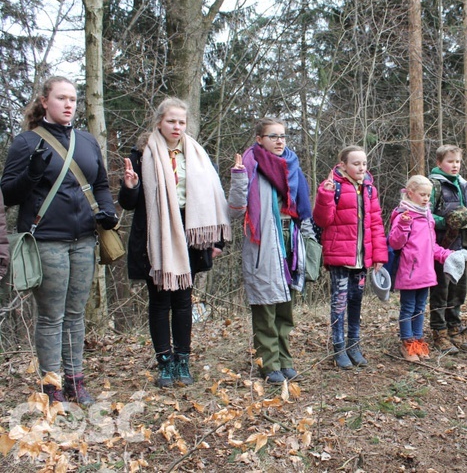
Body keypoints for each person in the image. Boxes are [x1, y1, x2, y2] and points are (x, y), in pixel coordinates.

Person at [1, 76, 118, 405]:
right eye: (62, 98)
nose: (69, 104)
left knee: (75, 314)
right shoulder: (26, 143)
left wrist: (107, 211)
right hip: (47, 241)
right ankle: (51, 386)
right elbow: (7, 195)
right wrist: (32, 174)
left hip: (84, 239)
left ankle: (75, 380)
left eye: (73, 99)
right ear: (44, 102)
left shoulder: (86, 140)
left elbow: (100, 185)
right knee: (52, 316)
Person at [119, 97, 231, 388]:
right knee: (159, 301)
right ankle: (164, 362)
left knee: (183, 300)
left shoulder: (198, 155)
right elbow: (129, 204)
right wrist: (129, 186)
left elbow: (212, 198)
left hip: (191, 233)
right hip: (156, 236)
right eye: (171, 121)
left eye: (181, 122)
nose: (177, 126)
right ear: (159, 122)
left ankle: (183, 359)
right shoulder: (143, 155)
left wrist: (216, 240)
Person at [229, 117, 313, 385]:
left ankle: (285, 359)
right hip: (263, 242)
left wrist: (310, 239)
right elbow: (236, 209)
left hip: (290, 242)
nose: (279, 141)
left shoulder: (292, 165)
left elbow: (302, 209)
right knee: (266, 305)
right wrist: (239, 179)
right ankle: (268, 362)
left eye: (283, 136)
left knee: (285, 305)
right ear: (259, 139)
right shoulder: (250, 165)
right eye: (272, 136)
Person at [313, 145, 388, 370]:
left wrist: (378, 255)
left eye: (364, 163)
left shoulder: (369, 190)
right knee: (339, 301)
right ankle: (339, 347)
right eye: (356, 163)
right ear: (343, 165)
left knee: (356, 300)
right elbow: (322, 220)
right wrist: (325, 195)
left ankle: (354, 344)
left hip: (362, 258)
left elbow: (376, 224)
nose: (361, 167)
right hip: (339, 257)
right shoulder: (332, 187)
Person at [388, 175, 454, 362]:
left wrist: (446, 255)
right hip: (409, 271)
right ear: (410, 193)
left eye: (428, 195)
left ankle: (418, 340)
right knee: (408, 307)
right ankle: (407, 342)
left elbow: (432, 245)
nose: (426, 198)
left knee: (420, 308)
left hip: (426, 271)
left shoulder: (427, 215)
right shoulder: (403, 215)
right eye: (422, 194)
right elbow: (395, 242)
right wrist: (403, 225)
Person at [428, 145, 467, 354]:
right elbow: (425, 215)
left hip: (462, 246)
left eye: (457, 161)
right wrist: (447, 222)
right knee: (441, 289)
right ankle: (439, 331)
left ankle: (454, 326)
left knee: (459, 289)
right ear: (439, 163)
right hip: (442, 246)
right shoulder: (434, 185)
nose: (455, 165)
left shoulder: (464, 184)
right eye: (450, 161)